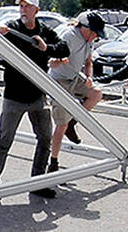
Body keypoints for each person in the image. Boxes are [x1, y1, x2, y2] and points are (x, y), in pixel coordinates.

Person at [0, 0, 69, 200]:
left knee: (45, 139)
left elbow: (64, 49)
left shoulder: (44, 31)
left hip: (37, 96)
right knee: (5, 140)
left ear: (36, 10)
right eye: (21, 6)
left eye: (27, 6)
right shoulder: (12, 28)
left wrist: (46, 47)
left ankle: (37, 182)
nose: (23, 10)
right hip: (14, 96)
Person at [45, 10, 105, 173]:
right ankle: (53, 161)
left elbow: (88, 62)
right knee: (61, 124)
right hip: (60, 80)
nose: (95, 37)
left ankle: (74, 121)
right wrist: (57, 61)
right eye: (94, 33)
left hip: (75, 78)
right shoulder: (69, 36)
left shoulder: (89, 41)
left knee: (96, 94)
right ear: (84, 28)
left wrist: (89, 77)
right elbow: (52, 61)